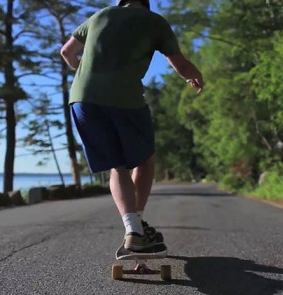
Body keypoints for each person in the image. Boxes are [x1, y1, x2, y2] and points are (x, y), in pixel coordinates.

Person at [60, 0, 203, 252]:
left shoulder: (99, 16)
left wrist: (83, 72)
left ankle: (134, 228)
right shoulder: (154, 21)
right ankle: (136, 228)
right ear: (145, 3)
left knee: (118, 165)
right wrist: (196, 76)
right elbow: (180, 65)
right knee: (145, 159)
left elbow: (67, 53)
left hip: (82, 99)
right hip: (124, 99)